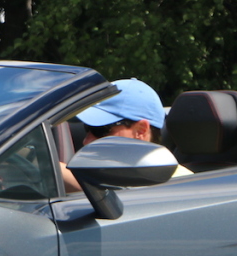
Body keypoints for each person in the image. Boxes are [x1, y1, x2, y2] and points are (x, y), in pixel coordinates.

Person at [62, 78, 192, 192]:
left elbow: (111, 196)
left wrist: (48, 167)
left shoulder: (177, 186)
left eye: (100, 130)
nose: (86, 141)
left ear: (140, 131)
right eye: (87, 128)